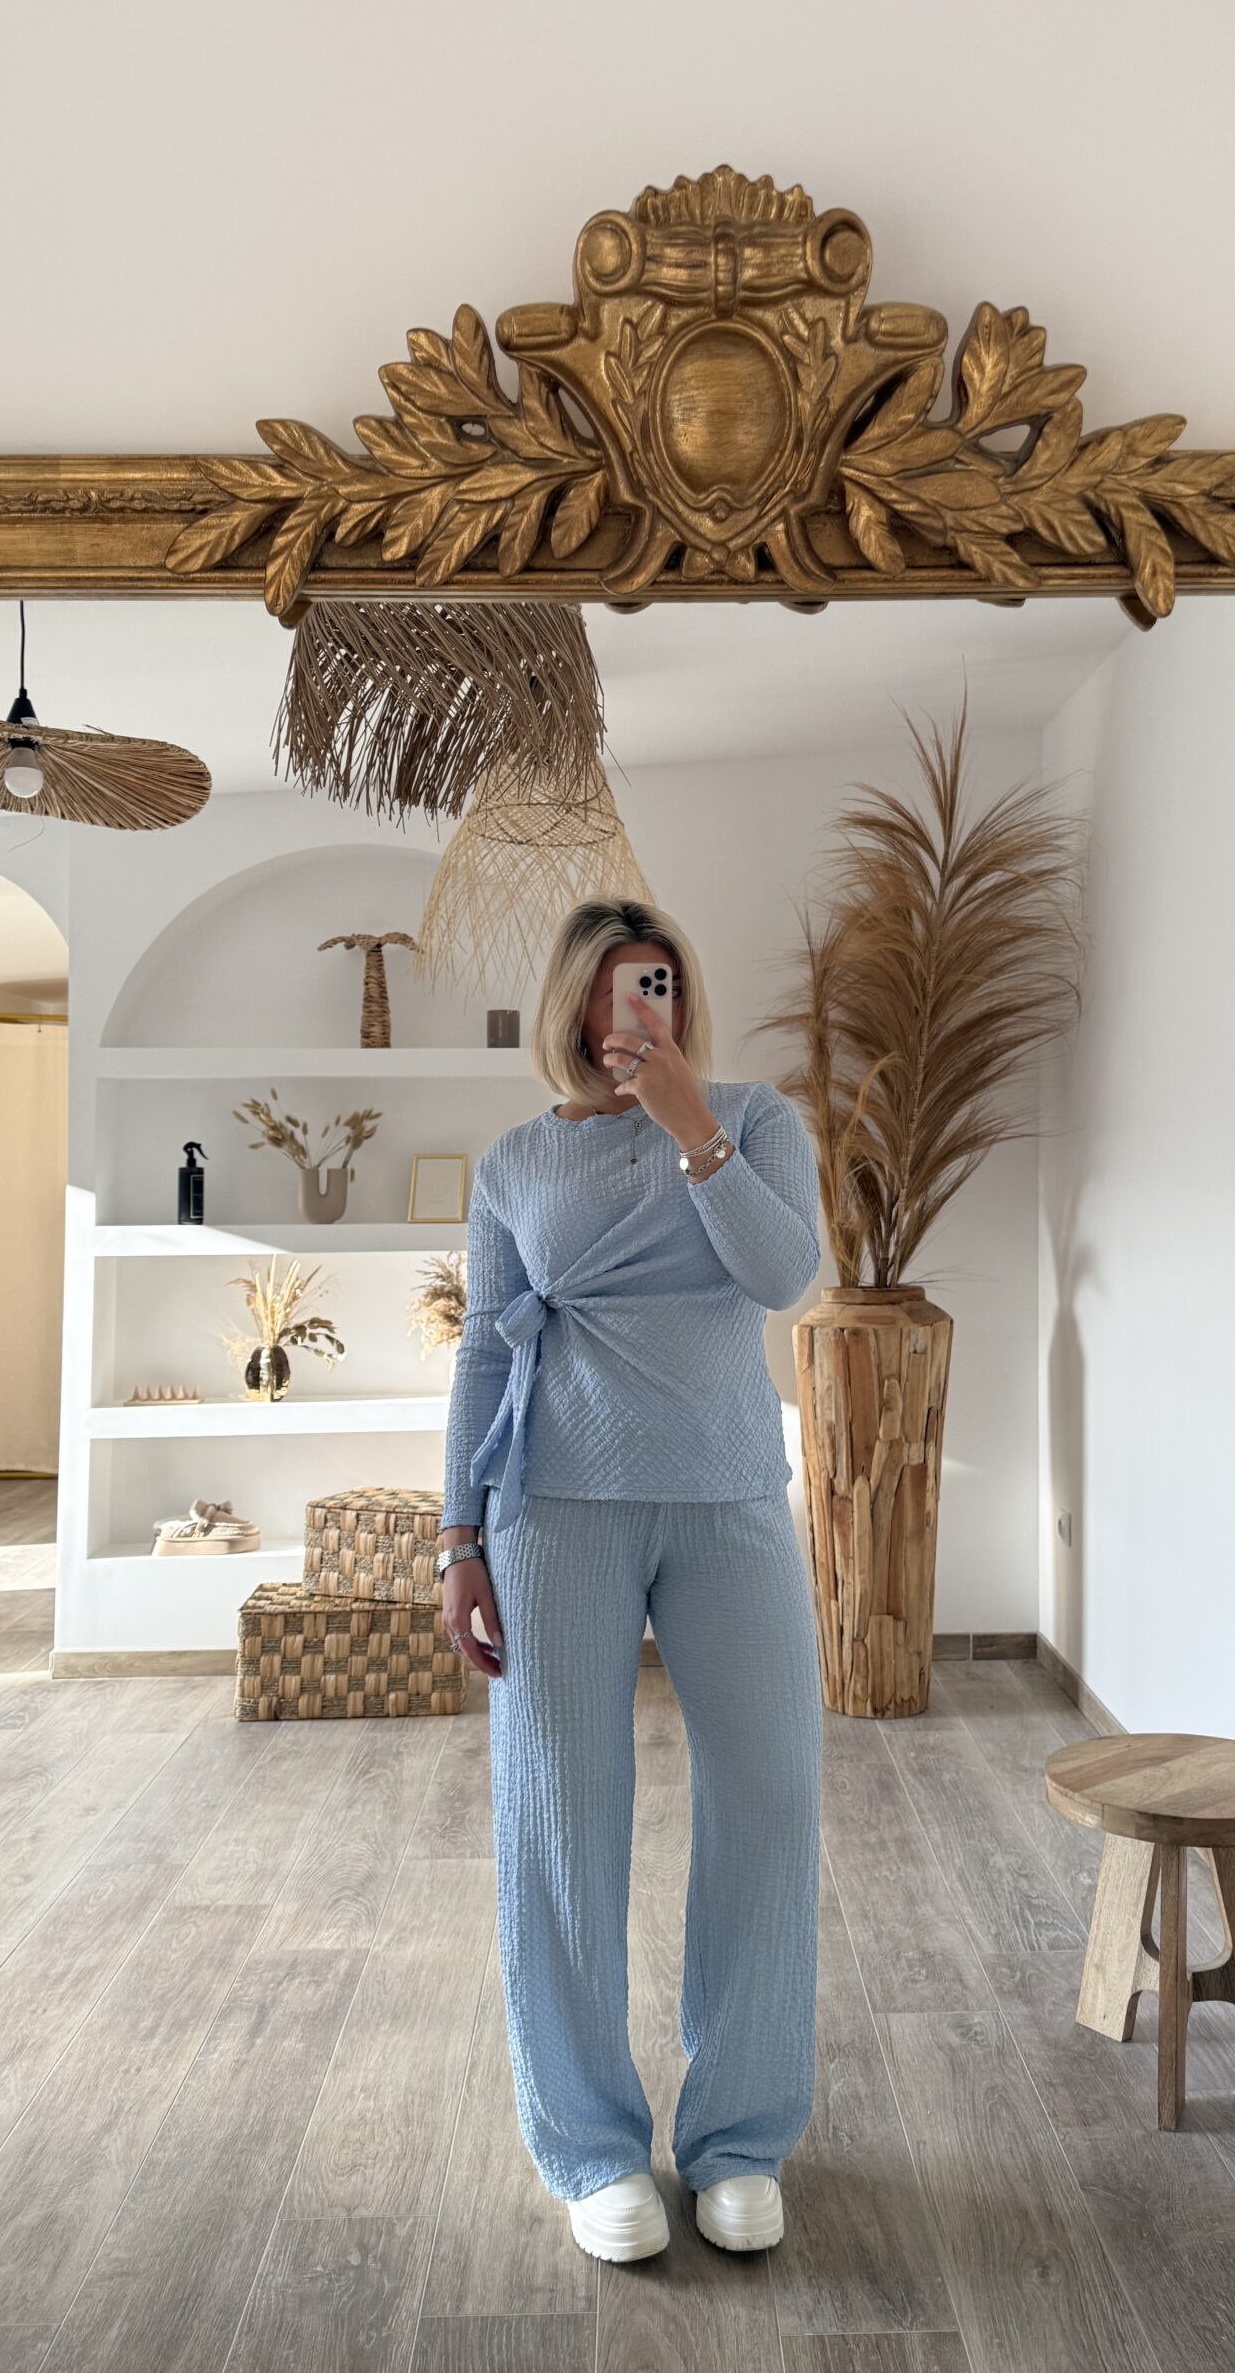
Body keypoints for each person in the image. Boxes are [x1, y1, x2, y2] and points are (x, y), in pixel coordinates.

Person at [435, 895, 824, 2265]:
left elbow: (784, 1277)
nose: (632, 1013)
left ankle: (742, 2138)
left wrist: (689, 1126)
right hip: (555, 1514)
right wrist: (458, 1538)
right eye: (609, 990)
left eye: (654, 984)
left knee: (770, 1800)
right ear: (570, 1006)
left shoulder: (753, 1123)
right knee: (561, 1821)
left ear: (680, 997)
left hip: (729, 1501)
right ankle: (592, 2146)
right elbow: (487, 1352)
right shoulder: (514, 1162)